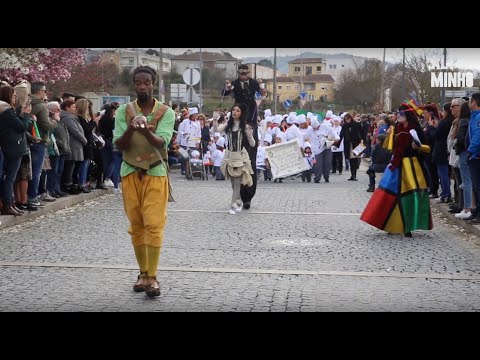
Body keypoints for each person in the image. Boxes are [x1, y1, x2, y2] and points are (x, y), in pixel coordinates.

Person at [114, 66, 175, 297]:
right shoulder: (124, 111)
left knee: (154, 225)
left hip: (156, 172)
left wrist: (147, 131)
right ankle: (142, 273)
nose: (142, 87)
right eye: (138, 83)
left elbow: (162, 142)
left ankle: (153, 277)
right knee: (137, 225)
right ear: (134, 85)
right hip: (130, 171)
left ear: (153, 84)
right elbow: (119, 144)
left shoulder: (165, 112)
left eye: (146, 83)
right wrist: (131, 128)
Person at [361, 103, 433, 237]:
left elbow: (427, 148)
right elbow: (390, 147)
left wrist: (418, 146)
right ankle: (390, 223)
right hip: (396, 164)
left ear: (408, 115)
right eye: (398, 113)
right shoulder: (396, 128)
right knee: (388, 195)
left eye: (401, 114)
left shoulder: (415, 129)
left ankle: (408, 226)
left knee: (410, 196)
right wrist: (390, 137)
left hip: (412, 166)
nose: (398, 116)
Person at [223, 64, 266, 209]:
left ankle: (248, 196)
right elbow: (225, 92)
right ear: (238, 73)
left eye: (246, 73)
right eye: (241, 73)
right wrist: (228, 88)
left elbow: (263, 93)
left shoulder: (254, 83)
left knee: (250, 162)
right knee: (236, 162)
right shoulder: (234, 84)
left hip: (251, 121)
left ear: (248, 73)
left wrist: (262, 88)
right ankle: (238, 194)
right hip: (238, 122)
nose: (243, 75)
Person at [212, 103, 255, 214]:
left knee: (237, 181)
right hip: (229, 156)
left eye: (238, 110)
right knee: (232, 182)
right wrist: (215, 119)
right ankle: (239, 201)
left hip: (240, 156)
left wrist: (250, 135)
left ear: (241, 113)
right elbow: (216, 130)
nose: (235, 112)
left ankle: (232, 205)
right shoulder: (228, 125)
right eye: (234, 110)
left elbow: (253, 144)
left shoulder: (245, 126)